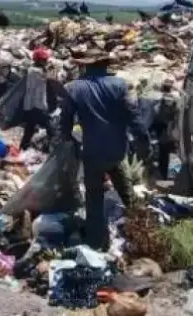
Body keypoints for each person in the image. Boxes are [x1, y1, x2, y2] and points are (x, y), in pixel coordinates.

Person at [60, 47, 151, 251]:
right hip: (117, 152)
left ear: (86, 66)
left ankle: (96, 245)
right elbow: (134, 117)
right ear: (106, 65)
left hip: (92, 153)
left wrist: (68, 141)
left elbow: (65, 121)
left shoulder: (74, 88)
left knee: (94, 200)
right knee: (127, 194)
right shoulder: (120, 85)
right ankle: (146, 233)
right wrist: (143, 143)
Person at [19, 47, 56, 150]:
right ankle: (53, 150)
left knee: (29, 129)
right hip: (37, 105)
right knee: (51, 129)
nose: (45, 61)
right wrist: (50, 70)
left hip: (31, 105)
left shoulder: (32, 69)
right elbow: (49, 79)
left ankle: (23, 148)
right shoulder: (36, 72)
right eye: (43, 60)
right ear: (37, 60)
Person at [152, 78, 181, 180]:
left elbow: (155, 112)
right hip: (173, 127)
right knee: (175, 151)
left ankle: (163, 173)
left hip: (162, 128)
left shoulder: (158, 97)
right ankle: (174, 174)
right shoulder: (176, 97)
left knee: (163, 152)